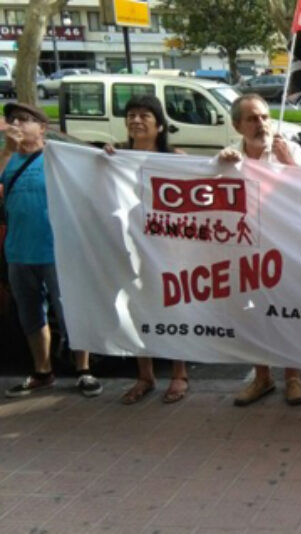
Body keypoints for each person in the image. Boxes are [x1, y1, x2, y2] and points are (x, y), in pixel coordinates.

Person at [1, 102, 102, 398]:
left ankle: (83, 370)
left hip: (59, 251)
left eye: (24, 120)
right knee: (31, 315)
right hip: (19, 252)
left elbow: (98, 175)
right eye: (12, 120)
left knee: (71, 312)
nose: (17, 124)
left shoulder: (58, 158)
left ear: (42, 128)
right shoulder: (8, 160)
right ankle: (42, 372)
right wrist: (7, 150)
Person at [218, 93, 301, 407]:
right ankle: (262, 377)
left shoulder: (290, 149)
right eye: (252, 119)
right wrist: (223, 167)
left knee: (286, 311)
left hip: (284, 247)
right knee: (252, 313)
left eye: (264, 117)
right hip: (246, 249)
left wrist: (288, 162)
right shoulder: (231, 158)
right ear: (237, 125)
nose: (261, 124)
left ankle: (293, 377)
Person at [103, 95, 191, 405]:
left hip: (169, 249)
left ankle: (179, 375)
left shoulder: (175, 158)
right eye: (131, 115)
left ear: (160, 125)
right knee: (137, 309)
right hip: (130, 247)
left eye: (144, 115)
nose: (136, 120)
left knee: (172, 307)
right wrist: (104, 160)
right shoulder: (117, 157)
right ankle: (145, 376)